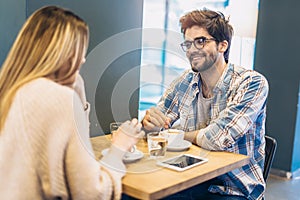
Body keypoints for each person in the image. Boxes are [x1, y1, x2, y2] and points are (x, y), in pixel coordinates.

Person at [0, 6, 144, 199]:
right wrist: (119, 148)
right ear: (64, 53)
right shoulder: (58, 98)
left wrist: (78, 92)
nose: (83, 59)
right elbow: (92, 192)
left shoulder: (13, 91)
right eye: (79, 50)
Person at [142, 8, 268, 200]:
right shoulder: (184, 81)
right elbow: (157, 126)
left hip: (233, 188)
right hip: (188, 180)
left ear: (222, 46)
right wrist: (150, 123)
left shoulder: (251, 83)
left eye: (201, 41)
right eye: (188, 44)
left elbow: (217, 138)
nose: (192, 50)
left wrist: (175, 135)